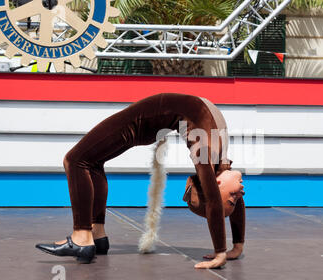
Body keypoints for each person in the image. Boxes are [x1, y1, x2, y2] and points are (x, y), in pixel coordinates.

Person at [35, 93, 245, 268]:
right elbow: (221, 198)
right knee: (89, 161)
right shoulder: (220, 163)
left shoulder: (207, 157)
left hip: (138, 125)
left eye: (233, 198)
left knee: (75, 160)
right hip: (145, 123)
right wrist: (235, 246)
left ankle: (82, 236)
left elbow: (215, 200)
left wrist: (220, 253)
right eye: (236, 197)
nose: (239, 193)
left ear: (218, 184)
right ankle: (96, 235)